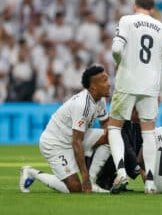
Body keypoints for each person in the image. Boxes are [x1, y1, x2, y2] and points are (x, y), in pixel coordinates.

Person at [108, 0, 162, 194]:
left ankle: (121, 173)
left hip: (127, 81)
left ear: (134, 6)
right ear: (152, 10)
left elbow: (117, 48)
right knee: (148, 132)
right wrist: (159, 89)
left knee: (114, 127)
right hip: (150, 85)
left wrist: (119, 63)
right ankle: (150, 182)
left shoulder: (126, 20)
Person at [19, 65, 111, 193]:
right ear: (94, 87)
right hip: (55, 144)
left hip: (74, 138)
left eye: (108, 79)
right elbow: (77, 142)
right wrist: (84, 178)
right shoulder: (82, 105)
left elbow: (105, 123)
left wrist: (103, 141)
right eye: (104, 81)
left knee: (111, 136)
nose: (109, 84)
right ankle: (32, 172)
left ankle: (92, 180)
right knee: (75, 188)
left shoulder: (100, 99)